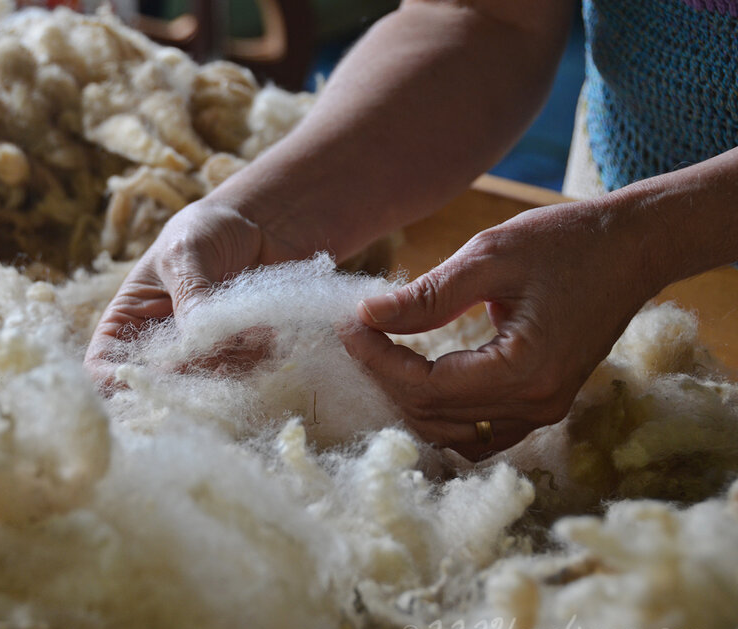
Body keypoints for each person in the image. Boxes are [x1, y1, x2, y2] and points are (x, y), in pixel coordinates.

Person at [86, 0, 738, 460]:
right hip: (613, 195)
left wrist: (641, 241)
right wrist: (260, 216)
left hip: (618, 232)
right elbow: (483, 15)